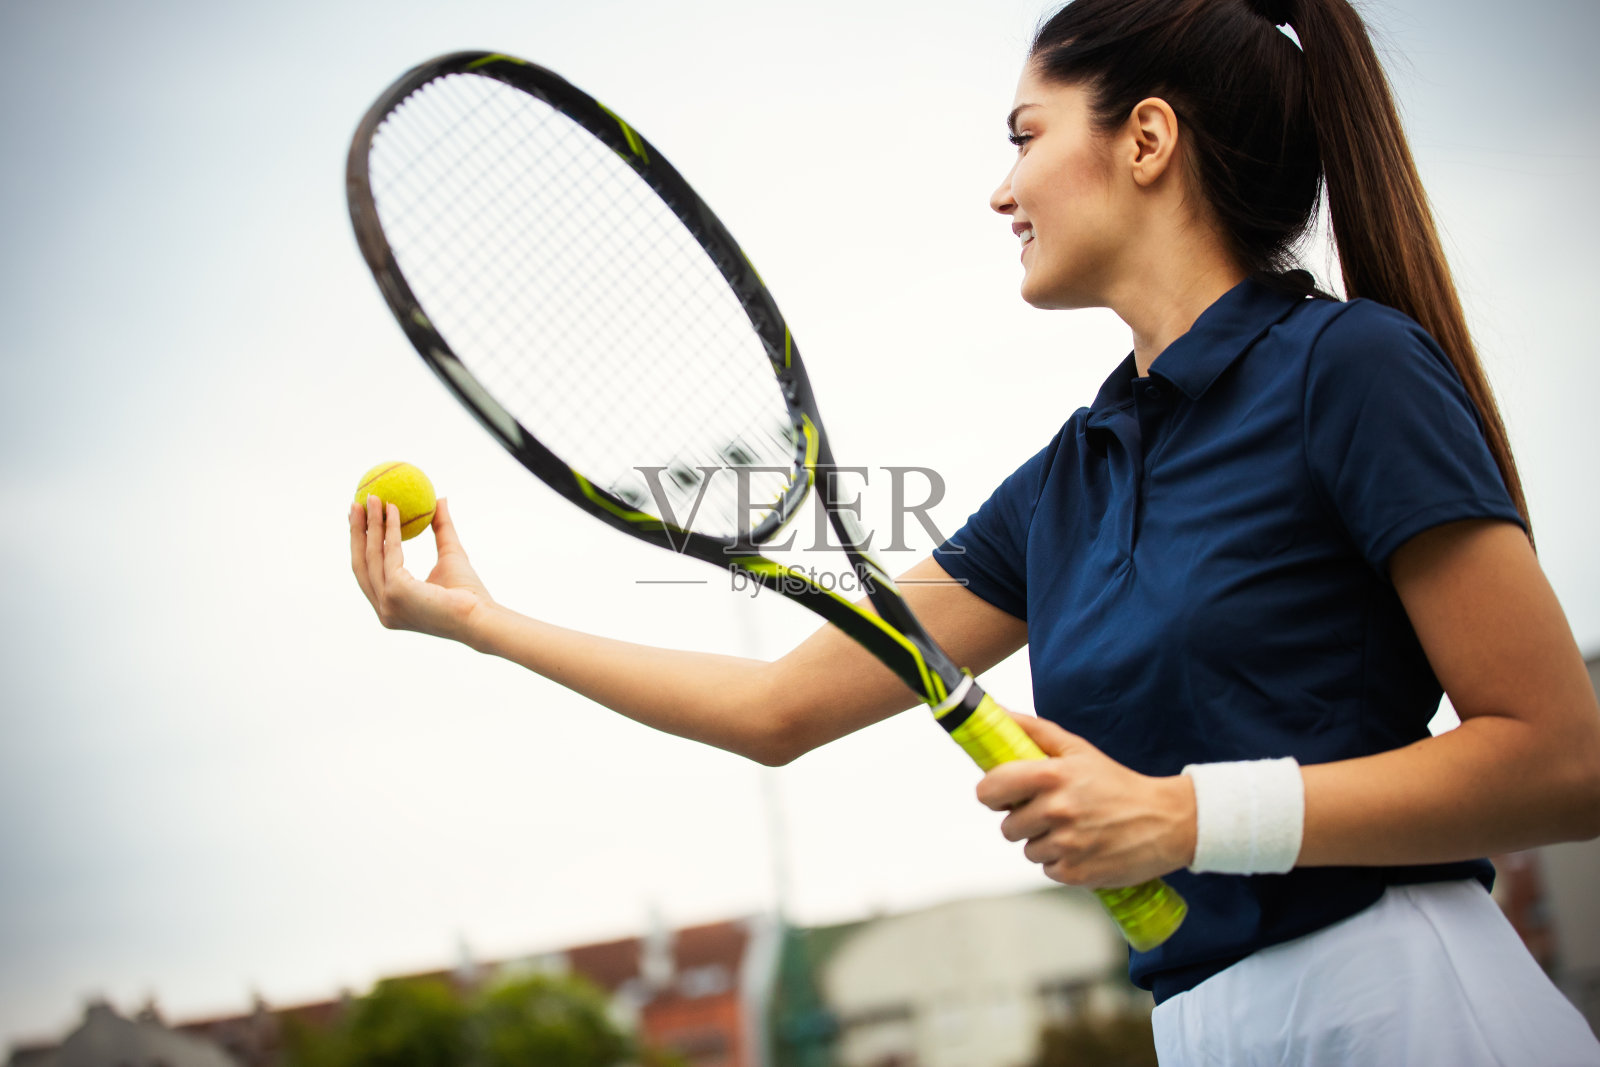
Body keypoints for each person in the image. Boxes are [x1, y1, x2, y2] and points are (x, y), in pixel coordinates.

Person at [350, 0, 1600, 1061]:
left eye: (1024, 135)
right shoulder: (1067, 481)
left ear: (1147, 139)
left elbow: (1563, 762)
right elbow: (776, 709)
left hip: (1406, 999)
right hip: (1203, 1026)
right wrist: (484, 623)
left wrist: (1183, 816)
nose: (1001, 189)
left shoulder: (1350, 368)